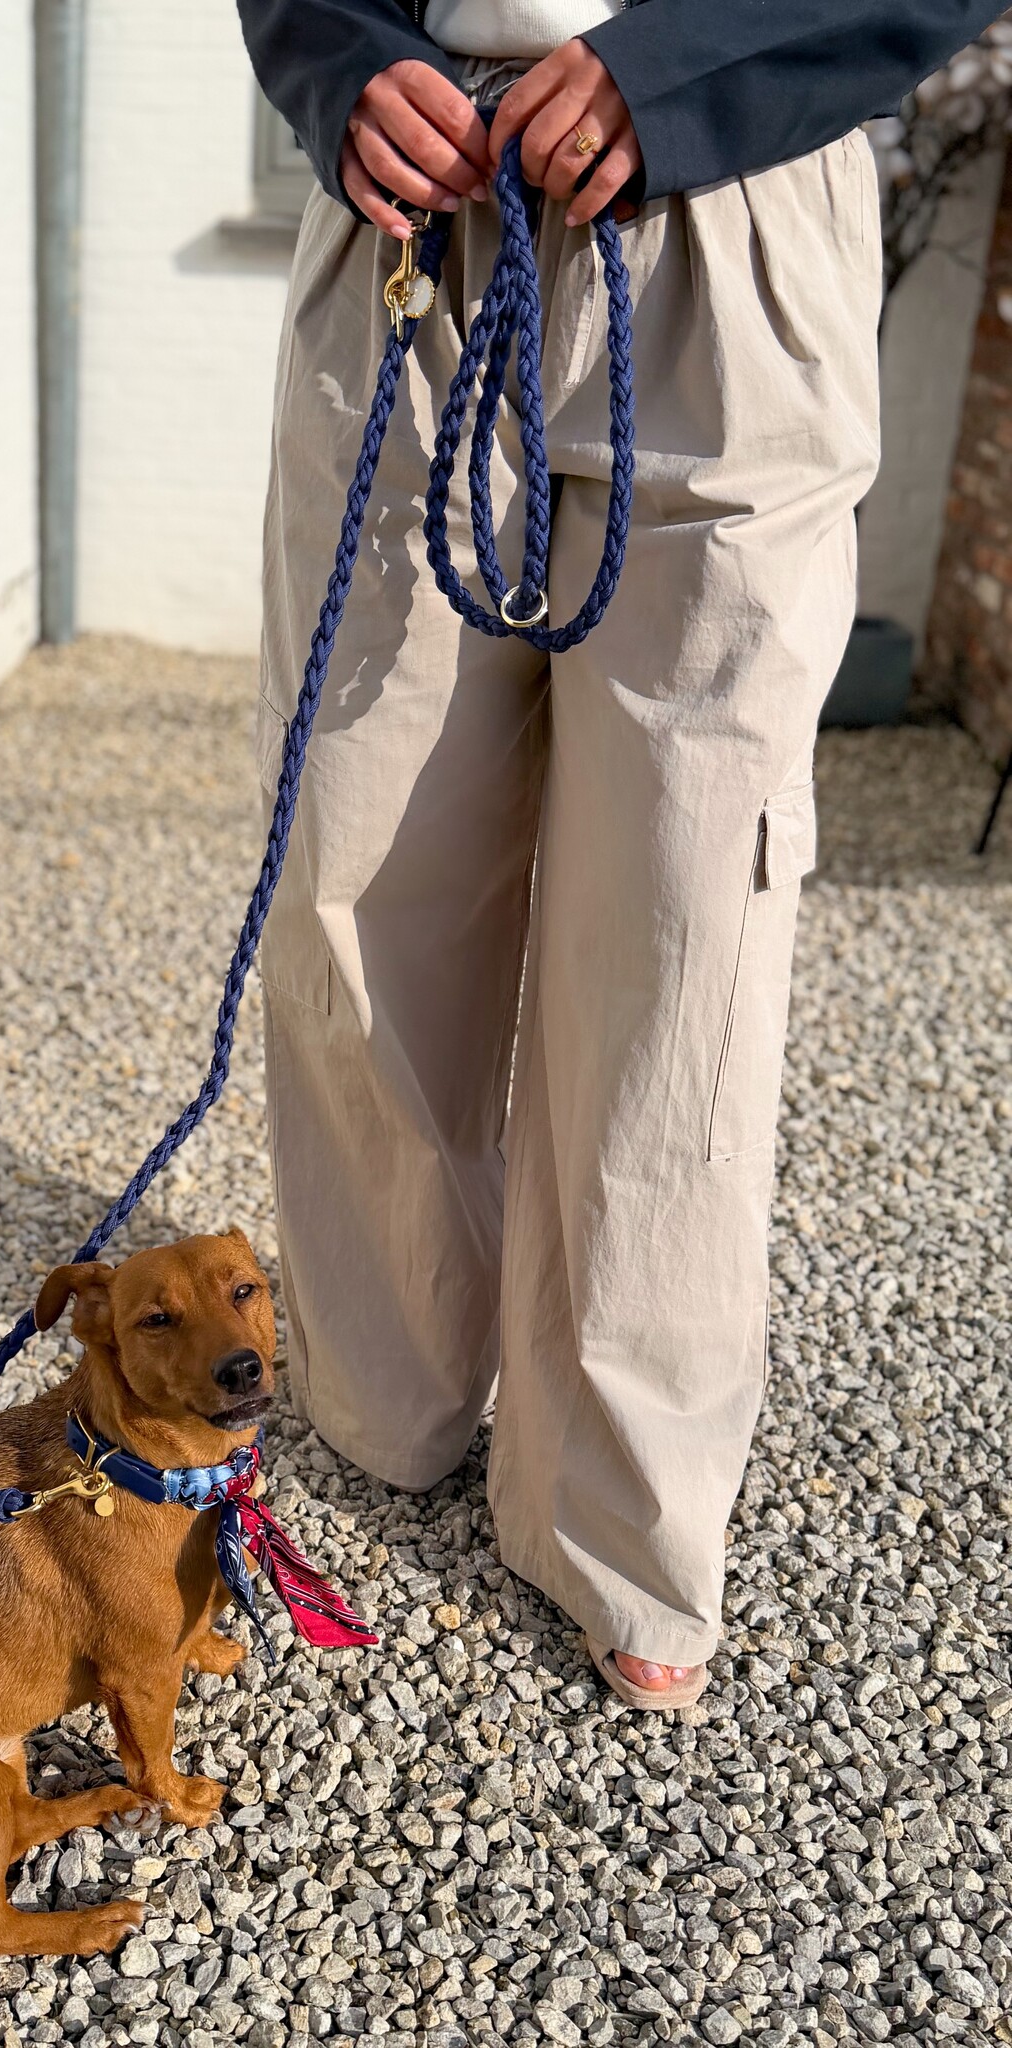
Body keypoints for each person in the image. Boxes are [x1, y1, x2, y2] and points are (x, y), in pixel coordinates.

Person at [235, 0, 1002, 1707]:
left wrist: (687, 72)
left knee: (678, 924)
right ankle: (386, 1388)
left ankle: (623, 1509)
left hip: (727, 238)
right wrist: (339, 58)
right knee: (358, 877)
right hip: (415, 233)